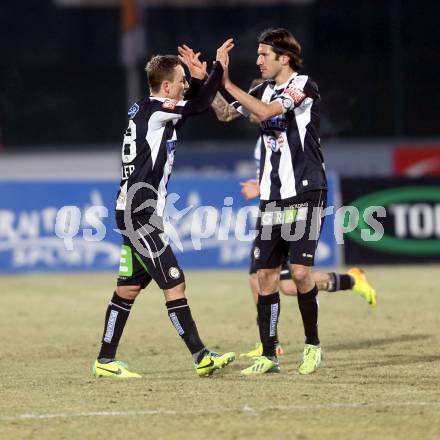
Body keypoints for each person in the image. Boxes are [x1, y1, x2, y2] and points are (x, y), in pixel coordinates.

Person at [212, 28, 376, 375]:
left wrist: (226, 82)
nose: (257, 61)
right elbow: (226, 114)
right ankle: (269, 356)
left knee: (299, 273)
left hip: (306, 190)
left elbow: (266, 113)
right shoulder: (259, 88)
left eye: (263, 55)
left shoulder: (303, 86)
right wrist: (208, 80)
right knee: (266, 276)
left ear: (283, 58)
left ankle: (312, 344)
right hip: (273, 196)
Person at [92, 39, 236, 379]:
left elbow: (214, 109)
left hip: (133, 212)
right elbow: (200, 105)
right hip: (138, 215)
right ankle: (201, 356)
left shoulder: (149, 110)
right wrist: (216, 69)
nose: (185, 85)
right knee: (175, 283)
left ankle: (105, 359)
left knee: (127, 288)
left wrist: (201, 78)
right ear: (167, 85)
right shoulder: (157, 111)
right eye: (182, 80)